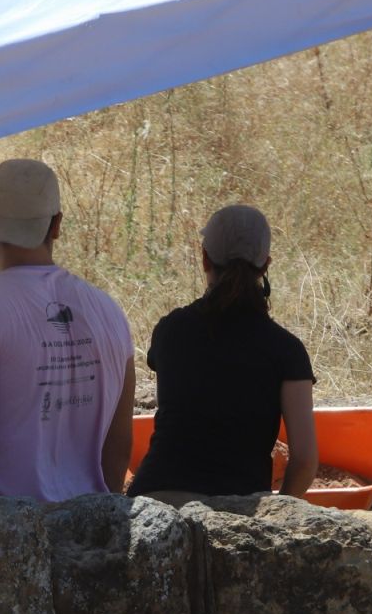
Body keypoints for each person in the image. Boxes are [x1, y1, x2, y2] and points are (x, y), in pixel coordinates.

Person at [0, 158, 135, 501]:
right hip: (92, 529)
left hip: (10, 536)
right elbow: (119, 448)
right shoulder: (108, 311)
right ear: (56, 225)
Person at [126, 204, 317, 499]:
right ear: (265, 265)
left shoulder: (170, 330)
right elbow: (305, 461)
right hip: (238, 508)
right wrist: (277, 516)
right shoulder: (287, 350)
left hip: (157, 498)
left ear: (204, 258)